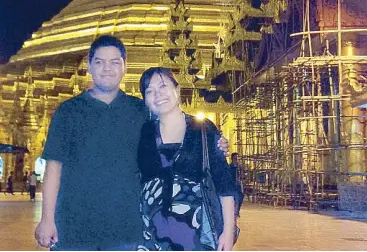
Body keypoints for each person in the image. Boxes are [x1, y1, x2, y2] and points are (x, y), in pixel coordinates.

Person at [35, 35, 229, 251]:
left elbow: (174, 127)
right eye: (99, 62)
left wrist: (214, 141)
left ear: (125, 67)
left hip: (127, 230)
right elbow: (53, 168)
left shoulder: (140, 111)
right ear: (89, 66)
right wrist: (47, 219)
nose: (107, 68)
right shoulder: (68, 112)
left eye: (115, 62)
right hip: (73, 227)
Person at [138, 67, 236, 251]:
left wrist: (228, 230)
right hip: (150, 235)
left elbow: (224, 184)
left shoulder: (203, 129)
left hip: (196, 234)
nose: (157, 94)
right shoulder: (143, 133)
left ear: (177, 90)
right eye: (149, 91)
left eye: (162, 86)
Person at [229, 153, 244, 218]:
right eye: (235, 158)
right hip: (232, 185)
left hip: (238, 184)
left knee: (241, 197)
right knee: (236, 198)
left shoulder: (239, 167)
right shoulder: (229, 167)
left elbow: (243, 176)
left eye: (238, 159)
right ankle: (235, 212)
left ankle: (237, 210)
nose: (237, 160)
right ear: (232, 159)